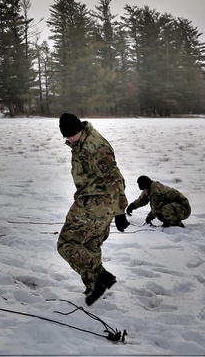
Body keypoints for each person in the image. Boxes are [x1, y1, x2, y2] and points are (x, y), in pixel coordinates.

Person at [56, 113, 129, 306]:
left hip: (97, 202)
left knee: (66, 244)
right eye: (67, 136)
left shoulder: (94, 147)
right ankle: (94, 285)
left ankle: (101, 276)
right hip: (92, 200)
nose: (70, 139)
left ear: (81, 128)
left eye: (73, 135)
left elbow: (114, 179)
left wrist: (120, 212)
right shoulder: (81, 142)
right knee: (90, 245)